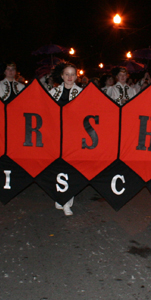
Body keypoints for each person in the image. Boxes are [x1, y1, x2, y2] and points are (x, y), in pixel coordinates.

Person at [48, 62, 82, 216]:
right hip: (56, 137)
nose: (69, 77)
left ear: (76, 76)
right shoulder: (53, 92)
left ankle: (67, 200)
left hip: (74, 137)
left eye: (72, 74)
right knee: (57, 168)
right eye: (67, 74)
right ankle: (59, 195)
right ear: (62, 76)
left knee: (71, 168)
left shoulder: (82, 93)